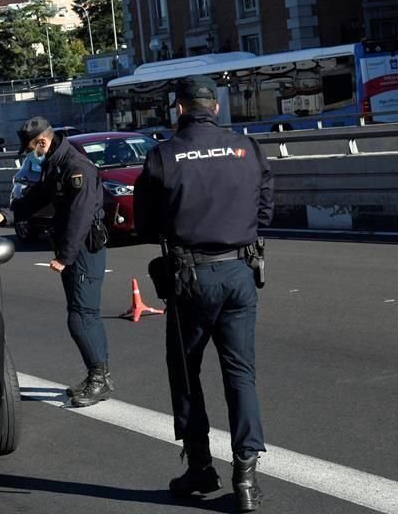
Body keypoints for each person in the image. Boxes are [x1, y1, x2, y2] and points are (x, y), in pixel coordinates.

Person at [134, 75, 273, 512]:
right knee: (241, 375)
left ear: (179, 109)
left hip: (190, 279)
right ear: (215, 107)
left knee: (186, 372)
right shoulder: (247, 148)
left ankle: (199, 466)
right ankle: (246, 477)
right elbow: (265, 209)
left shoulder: (163, 155)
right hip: (240, 272)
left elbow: (145, 223)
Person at [8, 116, 112, 408]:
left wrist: (64, 257)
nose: (32, 154)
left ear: (42, 141)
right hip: (75, 249)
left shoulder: (75, 167)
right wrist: (8, 215)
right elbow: (39, 197)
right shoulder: (56, 162)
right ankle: (99, 374)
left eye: (31, 149)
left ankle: (99, 379)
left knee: (81, 316)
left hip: (83, 250)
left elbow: (79, 216)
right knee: (83, 313)